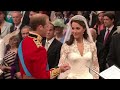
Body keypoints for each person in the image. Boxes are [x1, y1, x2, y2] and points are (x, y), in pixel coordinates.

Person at [18, 14, 70, 79]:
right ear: (40, 27)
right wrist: (59, 70)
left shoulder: (23, 42)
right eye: (47, 26)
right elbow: (43, 76)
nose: (48, 29)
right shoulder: (39, 48)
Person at [58, 15, 99, 79]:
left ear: (84, 29)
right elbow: (62, 66)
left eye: (77, 28)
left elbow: (95, 66)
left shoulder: (91, 45)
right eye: (73, 28)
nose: (74, 31)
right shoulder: (66, 46)